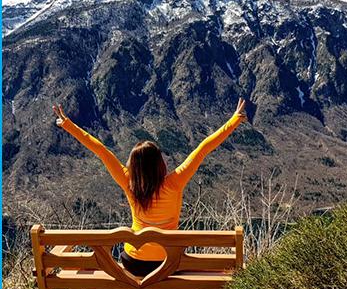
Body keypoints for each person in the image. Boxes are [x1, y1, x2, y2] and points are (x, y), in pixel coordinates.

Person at [53, 99, 247, 276]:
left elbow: (100, 150)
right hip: (168, 262)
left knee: (129, 251)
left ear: (133, 164)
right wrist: (234, 121)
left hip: (134, 262)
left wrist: (68, 125)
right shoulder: (175, 182)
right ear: (159, 163)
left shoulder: (128, 181)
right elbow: (203, 148)